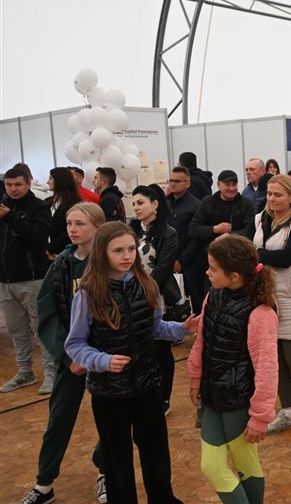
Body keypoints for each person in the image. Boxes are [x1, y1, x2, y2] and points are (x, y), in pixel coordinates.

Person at [64, 222, 195, 503]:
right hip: (109, 392)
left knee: (156, 453)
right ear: (102, 253)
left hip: (147, 384)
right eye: (118, 250)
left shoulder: (147, 284)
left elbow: (156, 328)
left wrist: (183, 328)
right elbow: (75, 344)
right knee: (117, 460)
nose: (127, 256)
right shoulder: (87, 293)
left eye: (131, 249)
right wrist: (103, 360)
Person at [22, 203, 107, 504]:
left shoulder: (109, 262)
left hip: (105, 359)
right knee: (59, 419)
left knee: (109, 419)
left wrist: (101, 356)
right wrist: (70, 357)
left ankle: (106, 471)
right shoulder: (61, 264)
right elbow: (47, 313)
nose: (72, 229)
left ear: (97, 227)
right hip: (72, 361)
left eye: (80, 223)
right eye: (69, 223)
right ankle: (44, 484)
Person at [187, 235, 278, 504]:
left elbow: (267, 369)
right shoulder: (213, 295)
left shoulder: (260, 313)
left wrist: (260, 417)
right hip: (212, 397)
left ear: (234, 276)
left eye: (213, 269)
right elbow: (202, 341)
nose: (207, 273)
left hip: (238, 402)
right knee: (212, 466)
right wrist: (196, 377)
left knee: (245, 464)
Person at [241, 175, 291, 434]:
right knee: (273, 359)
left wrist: (257, 255)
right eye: (269, 194)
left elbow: (287, 257)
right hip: (265, 298)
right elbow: (245, 247)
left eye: (278, 194)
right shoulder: (259, 219)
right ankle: (287, 411)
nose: (272, 199)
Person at [0, 167, 56, 394]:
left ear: (29, 183)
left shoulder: (39, 207)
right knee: (16, 330)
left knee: (41, 329)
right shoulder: (3, 205)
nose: (13, 189)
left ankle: (51, 372)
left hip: (33, 279)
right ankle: (25, 372)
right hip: (5, 282)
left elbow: (39, 239)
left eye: (18, 184)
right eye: (9, 185)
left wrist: (10, 218)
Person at [131, 184, 184, 416]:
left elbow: (163, 268)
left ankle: (163, 397)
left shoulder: (168, 232)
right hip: (132, 296)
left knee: (161, 349)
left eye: (141, 202)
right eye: (134, 203)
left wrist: (144, 292)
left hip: (157, 297)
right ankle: (144, 393)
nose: (136, 207)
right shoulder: (131, 230)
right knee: (140, 349)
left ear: (155, 204)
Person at [189, 170, 256, 285]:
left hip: (236, 259)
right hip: (210, 259)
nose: (232, 188)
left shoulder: (246, 204)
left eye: (234, 184)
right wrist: (214, 229)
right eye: (227, 185)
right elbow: (193, 229)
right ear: (218, 185)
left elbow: (251, 230)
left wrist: (229, 236)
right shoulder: (207, 203)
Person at [166, 166, 204, 314]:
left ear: (188, 183)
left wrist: (182, 261)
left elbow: (197, 238)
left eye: (177, 181)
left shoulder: (196, 205)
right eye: (171, 180)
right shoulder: (165, 204)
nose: (173, 184)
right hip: (168, 259)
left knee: (197, 300)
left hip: (191, 261)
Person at [45, 167, 82, 259]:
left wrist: (51, 248)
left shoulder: (75, 204)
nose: (47, 182)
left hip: (66, 252)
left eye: (50, 179)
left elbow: (71, 231)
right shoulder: (47, 202)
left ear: (60, 180)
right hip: (46, 253)